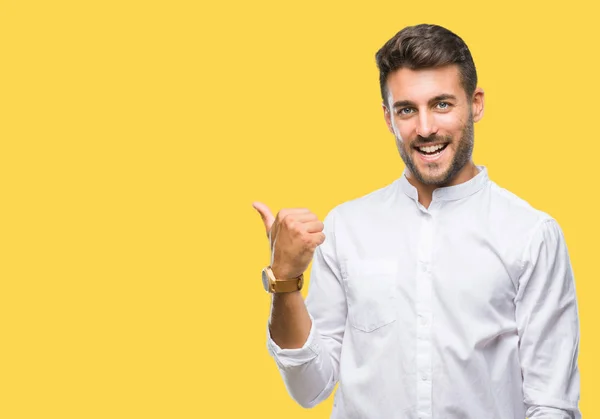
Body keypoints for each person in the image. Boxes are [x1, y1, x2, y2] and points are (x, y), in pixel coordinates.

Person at [252, 23, 582, 419]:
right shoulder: (345, 229)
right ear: (389, 118)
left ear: (475, 103)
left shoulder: (531, 235)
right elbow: (310, 388)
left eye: (442, 104)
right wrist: (285, 282)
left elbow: (551, 404)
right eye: (407, 109)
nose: (425, 129)